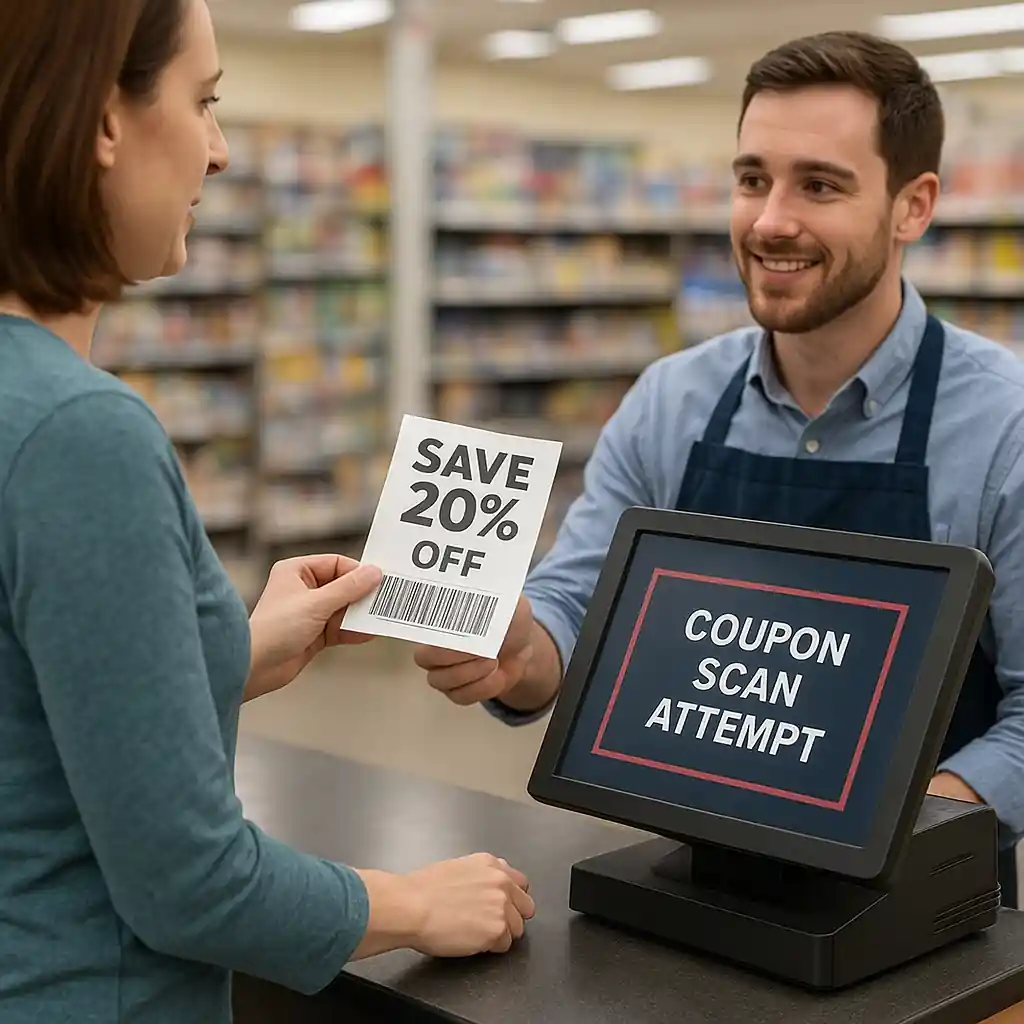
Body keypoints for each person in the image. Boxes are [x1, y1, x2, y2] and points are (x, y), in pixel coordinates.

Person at [0, 2, 534, 1022]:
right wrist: (413, 901)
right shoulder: (79, 433)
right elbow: (188, 885)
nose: (220, 150)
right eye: (202, 101)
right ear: (105, 120)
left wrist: (229, 653)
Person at [415, 30, 1024, 907]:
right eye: (752, 179)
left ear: (913, 206)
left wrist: (888, 830)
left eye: (819, 185)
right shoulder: (672, 401)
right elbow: (572, 607)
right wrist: (520, 654)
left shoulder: (1004, 427)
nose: (770, 220)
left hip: (919, 919)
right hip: (692, 893)